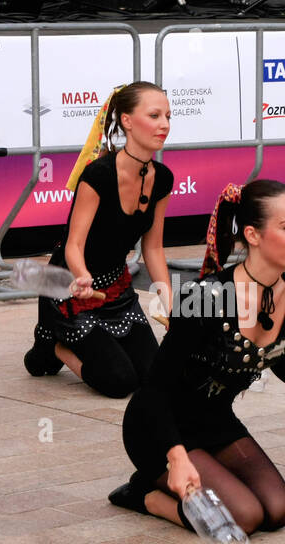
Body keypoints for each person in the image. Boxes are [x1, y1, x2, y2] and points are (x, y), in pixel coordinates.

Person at [107, 180, 285, 534]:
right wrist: (176, 457)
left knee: (277, 510)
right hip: (159, 429)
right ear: (253, 235)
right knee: (243, 517)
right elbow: (153, 390)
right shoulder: (206, 297)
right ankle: (145, 493)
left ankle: (188, 475)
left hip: (215, 422)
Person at [23, 81, 174, 398]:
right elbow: (73, 245)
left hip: (117, 291)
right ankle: (54, 346)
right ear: (128, 121)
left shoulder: (163, 179)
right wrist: (83, 278)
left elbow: (153, 247)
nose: (164, 125)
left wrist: (168, 300)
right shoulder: (98, 175)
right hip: (70, 290)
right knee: (120, 382)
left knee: (154, 378)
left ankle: (95, 344)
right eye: (155, 115)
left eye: (168, 116)